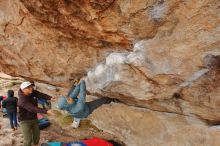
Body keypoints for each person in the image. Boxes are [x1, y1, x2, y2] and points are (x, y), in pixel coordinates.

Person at [18, 81, 56, 146]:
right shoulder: (22, 100)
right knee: (28, 140)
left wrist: (50, 97)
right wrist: (46, 111)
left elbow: (40, 94)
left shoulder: (32, 92)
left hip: (34, 118)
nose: (31, 88)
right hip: (24, 121)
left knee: (36, 136)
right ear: (23, 90)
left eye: (31, 86)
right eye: (28, 88)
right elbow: (32, 108)